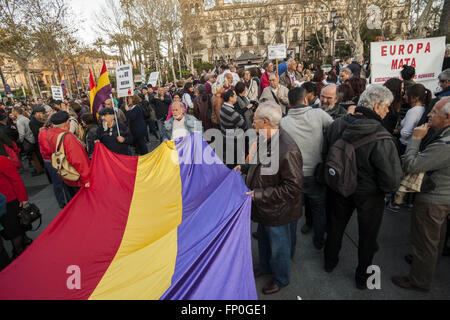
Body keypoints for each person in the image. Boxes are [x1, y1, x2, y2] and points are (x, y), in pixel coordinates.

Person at [322, 85, 402, 290]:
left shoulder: (336, 124)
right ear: (376, 106)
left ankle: (329, 263)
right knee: (367, 237)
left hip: (339, 188)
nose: (387, 112)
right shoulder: (383, 137)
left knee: (335, 226)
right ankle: (363, 279)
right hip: (369, 195)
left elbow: (326, 154)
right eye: (386, 107)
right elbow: (391, 181)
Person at [240, 102, 303, 295]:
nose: (252, 124)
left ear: (265, 122)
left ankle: (281, 279)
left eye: (254, 121)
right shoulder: (266, 138)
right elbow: (259, 163)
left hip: (278, 212)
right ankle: (265, 267)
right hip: (266, 208)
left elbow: (293, 187)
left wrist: (258, 195)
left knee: (279, 248)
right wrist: (243, 168)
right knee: (265, 242)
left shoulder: (287, 149)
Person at [392, 98, 450, 292]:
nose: (429, 115)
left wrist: (415, 139)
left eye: (434, 112)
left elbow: (412, 165)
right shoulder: (443, 136)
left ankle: (419, 280)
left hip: (434, 198)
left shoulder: (445, 144)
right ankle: (425, 264)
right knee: (435, 238)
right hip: (441, 195)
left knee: (425, 240)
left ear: (447, 118)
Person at [281, 87, 333, 250]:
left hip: (294, 177)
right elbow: (334, 128)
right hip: (316, 174)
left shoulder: (283, 123)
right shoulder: (318, 115)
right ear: (305, 100)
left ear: (289, 103)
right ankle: (319, 241)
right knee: (319, 210)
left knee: (293, 215)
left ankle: (291, 248)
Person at [46, 111, 91, 199]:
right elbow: (78, 160)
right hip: (76, 177)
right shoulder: (68, 137)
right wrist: (86, 179)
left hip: (65, 173)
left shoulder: (50, 132)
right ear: (67, 123)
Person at [0, 156, 29, 260]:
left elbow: (16, 179)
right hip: (3, 203)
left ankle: (18, 252)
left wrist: (23, 198)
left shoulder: (2, 160)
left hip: (9, 201)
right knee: (15, 226)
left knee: (13, 230)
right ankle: (24, 241)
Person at [399, 84, 431, 154]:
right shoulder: (424, 108)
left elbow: (405, 133)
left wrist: (399, 130)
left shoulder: (413, 111)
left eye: (407, 95)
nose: (404, 97)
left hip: (406, 146)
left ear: (415, 97)